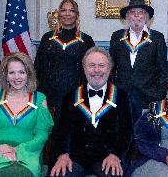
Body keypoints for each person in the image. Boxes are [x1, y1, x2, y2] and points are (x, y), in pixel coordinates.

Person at [50, 47, 132, 177]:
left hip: (107, 157)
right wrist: (62, 154)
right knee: (60, 174)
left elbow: (126, 132)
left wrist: (115, 154)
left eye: (101, 66)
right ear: (84, 69)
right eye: (92, 65)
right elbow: (61, 131)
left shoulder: (121, 96)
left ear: (109, 69)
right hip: (75, 158)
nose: (97, 70)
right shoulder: (71, 96)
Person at [0, 52, 54, 177]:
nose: (16, 77)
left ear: (28, 74)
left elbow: (42, 134)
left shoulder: (40, 99)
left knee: (20, 173)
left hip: (28, 152)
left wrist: (18, 150)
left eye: (21, 72)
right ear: (6, 76)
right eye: (12, 72)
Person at [109, 0, 168, 124]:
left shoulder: (157, 38)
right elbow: (110, 68)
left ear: (146, 16)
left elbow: (162, 71)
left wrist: (159, 96)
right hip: (122, 97)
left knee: (145, 137)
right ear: (126, 17)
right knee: (123, 134)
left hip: (148, 98)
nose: (136, 15)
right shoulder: (117, 36)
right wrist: (113, 90)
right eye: (132, 12)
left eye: (140, 12)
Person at [34, 0, 95, 121]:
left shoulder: (86, 40)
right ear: (59, 14)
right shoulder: (47, 38)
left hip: (76, 96)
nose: (67, 14)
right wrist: (38, 96)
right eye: (63, 10)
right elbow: (38, 68)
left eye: (71, 11)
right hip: (49, 96)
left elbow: (92, 71)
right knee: (50, 135)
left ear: (77, 15)